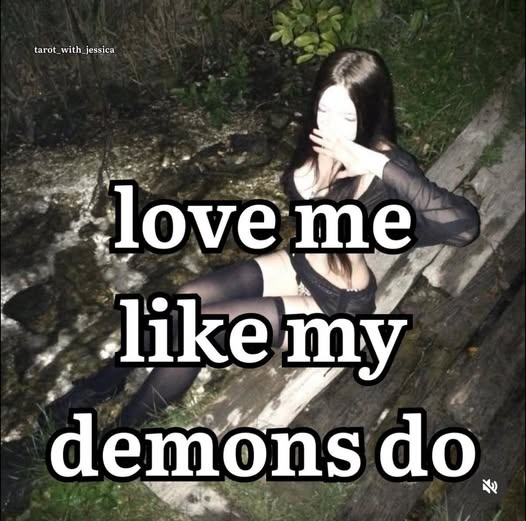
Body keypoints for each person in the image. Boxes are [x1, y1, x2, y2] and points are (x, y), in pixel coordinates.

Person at [43, 48, 480, 430]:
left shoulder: (387, 163)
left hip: (336, 308)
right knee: (183, 302)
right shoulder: (316, 138)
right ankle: (100, 386)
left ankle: (122, 434)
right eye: (324, 110)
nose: (332, 127)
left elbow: (463, 228)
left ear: (370, 112)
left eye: (348, 117)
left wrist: (372, 163)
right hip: (299, 265)